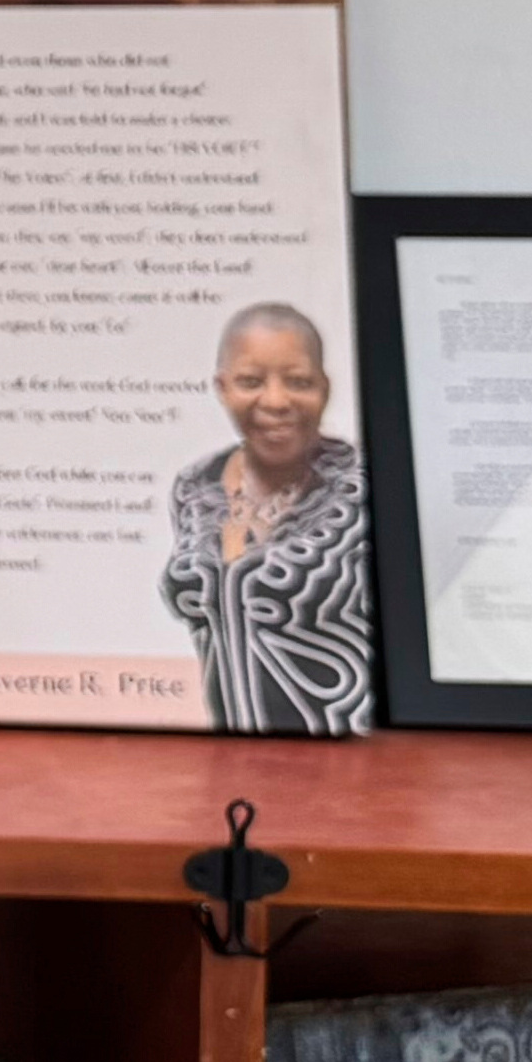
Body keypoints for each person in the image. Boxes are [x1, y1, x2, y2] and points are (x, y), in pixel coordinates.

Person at [162, 298, 377, 736]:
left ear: (325, 388)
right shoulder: (194, 486)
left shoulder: (364, 486)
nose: (276, 400)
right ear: (222, 387)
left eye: (298, 381)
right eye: (250, 381)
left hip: (345, 755)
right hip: (231, 757)